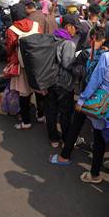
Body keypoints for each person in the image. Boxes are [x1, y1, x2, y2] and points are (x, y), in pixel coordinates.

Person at [49, 24, 109, 186]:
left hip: (94, 98)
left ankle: (71, 159)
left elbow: (94, 79)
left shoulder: (93, 54)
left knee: (81, 127)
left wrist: (82, 99)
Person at [6, 3, 42, 130]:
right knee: (39, 90)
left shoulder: (11, 30)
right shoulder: (36, 25)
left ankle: (26, 121)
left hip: (21, 65)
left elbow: (10, 48)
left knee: (24, 93)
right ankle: (41, 115)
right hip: (37, 64)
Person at [44, 14, 78, 146]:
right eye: (75, 28)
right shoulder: (68, 43)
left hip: (49, 79)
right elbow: (67, 64)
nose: (76, 31)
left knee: (51, 110)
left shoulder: (51, 37)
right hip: (64, 83)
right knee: (65, 112)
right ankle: (66, 139)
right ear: (68, 27)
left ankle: (53, 139)